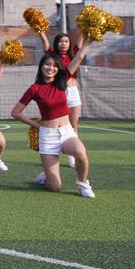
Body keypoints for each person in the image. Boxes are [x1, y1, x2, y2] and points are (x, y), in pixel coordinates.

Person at [11, 40, 96, 198]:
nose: (51, 68)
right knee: (55, 187)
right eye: (47, 64)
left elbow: (79, 57)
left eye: (54, 65)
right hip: (48, 137)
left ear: (58, 69)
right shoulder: (34, 89)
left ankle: (82, 184)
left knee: (80, 152)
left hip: (66, 132)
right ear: (41, 66)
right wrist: (37, 125)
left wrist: (89, 40)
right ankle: (47, 176)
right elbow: (16, 112)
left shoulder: (62, 80)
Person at [39, 30, 85, 168]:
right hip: (59, 92)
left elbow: (81, 40)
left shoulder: (73, 55)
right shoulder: (53, 57)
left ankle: (73, 156)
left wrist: (83, 26)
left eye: (66, 41)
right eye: (60, 41)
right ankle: (53, 154)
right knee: (60, 124)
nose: (63, 44)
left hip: (73, 91)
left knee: (74, 124)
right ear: (56, 43)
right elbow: (45, 43)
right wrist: (40, 30)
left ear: (69, 44)